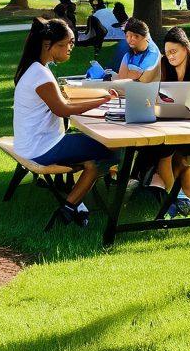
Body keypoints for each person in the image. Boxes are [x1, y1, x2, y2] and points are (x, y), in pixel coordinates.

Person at [13, 18, 120, 227]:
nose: (71, 47)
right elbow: (63, 110)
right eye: (67, 43)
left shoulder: (35, 69)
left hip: (35, 144)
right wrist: (103, 100)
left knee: (92, 162)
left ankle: (71, 207)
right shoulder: (40, 74)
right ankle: (72, 207)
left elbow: (60, 104)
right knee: (115, 149)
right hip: (42, 148)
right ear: (48, 45)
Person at [138, 27, 190, 216]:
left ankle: (173, 196)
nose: (171, 57)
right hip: (170, 124)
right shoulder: (165, 66)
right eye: (167, 53)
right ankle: (180, 198)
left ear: (186, 48)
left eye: (174, 52)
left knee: (179, 159)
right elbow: (145, 80)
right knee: (164, 152)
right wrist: (159, 61)